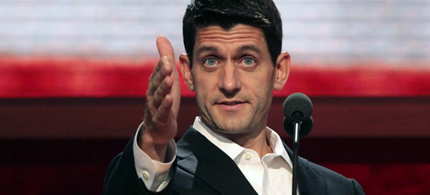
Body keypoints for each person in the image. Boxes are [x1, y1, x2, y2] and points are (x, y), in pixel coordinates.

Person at [103, 0, 365, 194]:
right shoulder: (160, 178)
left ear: (280, 70)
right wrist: (151, 142)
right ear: (188, 72)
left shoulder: (339, 189)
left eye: (247, 60)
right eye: (211, 61)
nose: (229, 83)